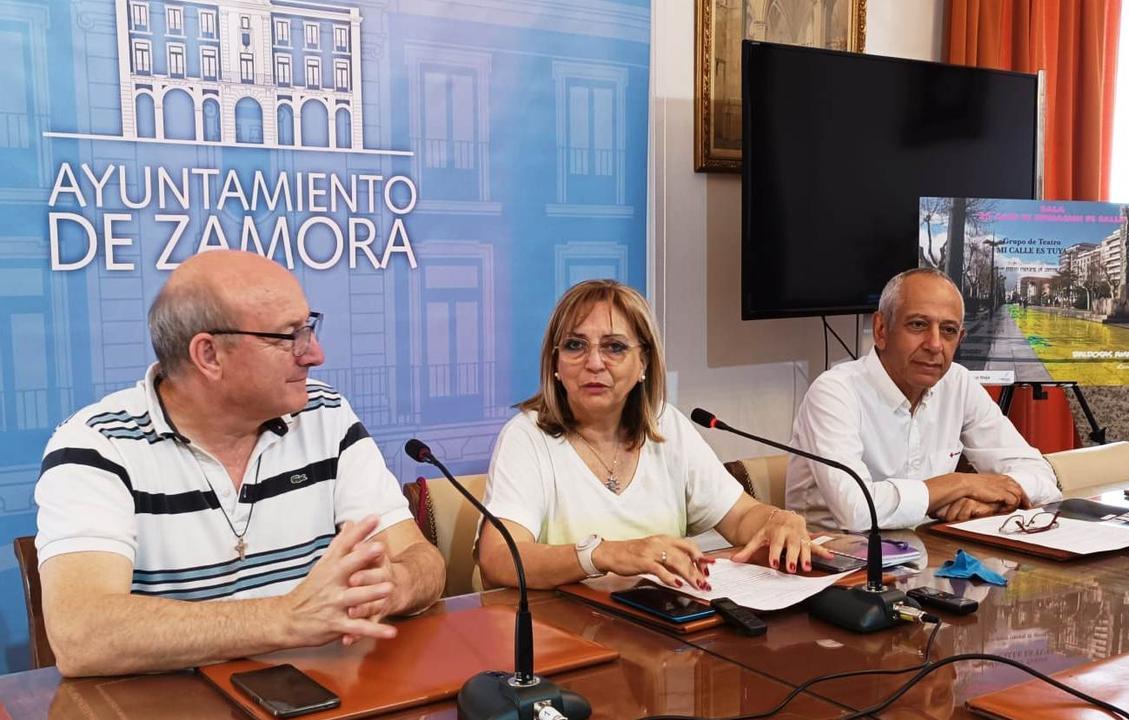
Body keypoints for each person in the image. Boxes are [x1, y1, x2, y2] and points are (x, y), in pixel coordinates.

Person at [35, 250, 445, 677]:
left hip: (317, 704)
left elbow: (423, 560)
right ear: (209, 355)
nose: (314, 354)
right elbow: (81, 635)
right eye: (289, 337)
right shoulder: (98, 445)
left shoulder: (325, 413)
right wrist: (287, 618)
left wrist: (393, 587)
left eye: (309, 328)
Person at [477, 279, 829, 590]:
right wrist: (604, 554)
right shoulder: (527, 435)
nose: (594, 362)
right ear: (555, 363)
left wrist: (778, 520)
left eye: (614, 347)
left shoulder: (666, 425)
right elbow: (499, 558)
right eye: (575, 346)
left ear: (643, 362)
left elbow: (738, 517)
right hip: (565, 636)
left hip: (659, 632)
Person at [786, 267, 1060, 531]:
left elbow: (1042, 477)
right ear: (881, 330)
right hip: (838, 566)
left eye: (949, 330)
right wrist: (960, 484)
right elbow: (857, 510)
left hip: (931, 556)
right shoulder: (835, 391)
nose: (935, 344)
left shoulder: (958, 382)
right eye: (918, 325)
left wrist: (992, 499)